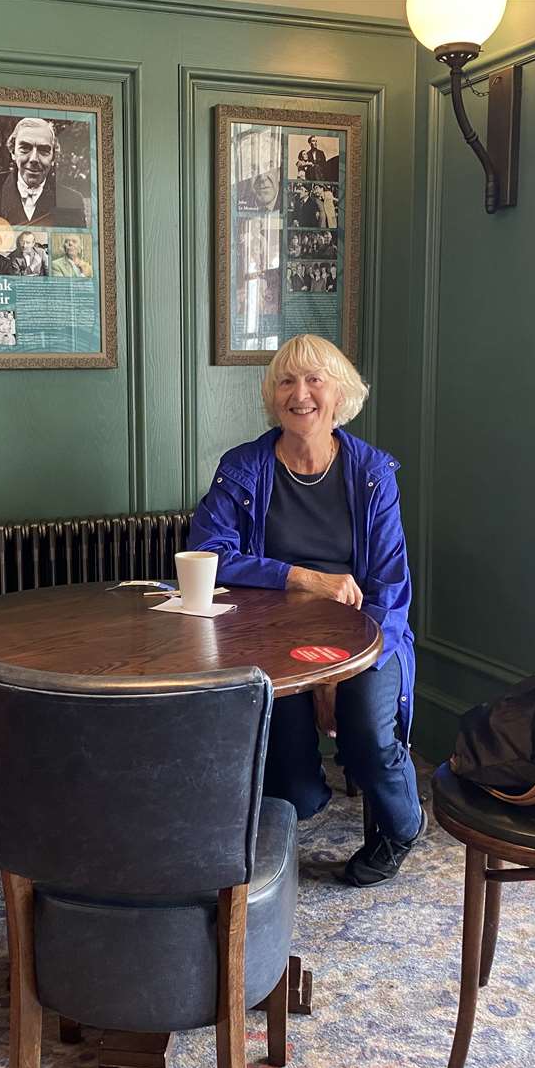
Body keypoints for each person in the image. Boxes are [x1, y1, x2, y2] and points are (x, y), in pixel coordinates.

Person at [188, 333, 422, 888]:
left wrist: (344, 671)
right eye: (287, 382)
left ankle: (402, 825)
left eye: (315, 379)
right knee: (291, 781)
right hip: (270, 639)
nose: (301, 394)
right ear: (274, 397)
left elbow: (390, 587)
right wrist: (298, 576)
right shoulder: (244, 468)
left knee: (366, 725)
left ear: (340, 394)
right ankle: (291, 810)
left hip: (368, 635)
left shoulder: (372, 476)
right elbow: (208, 553)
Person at [0, 117, 89, 228]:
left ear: (53, 158)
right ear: (13, 152)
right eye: (25, 148)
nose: (34, 159)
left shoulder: (72, 200)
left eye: (43, 151)